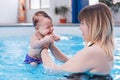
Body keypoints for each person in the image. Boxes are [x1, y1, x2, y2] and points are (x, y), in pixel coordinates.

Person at [40, 3, 114, 80]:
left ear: (94, 26)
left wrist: (43, 47)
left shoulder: (93, 51)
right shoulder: (101, 48)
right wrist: (52, 46)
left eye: (83, 23)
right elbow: (72, 62)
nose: (80, 28)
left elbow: (53, 71)